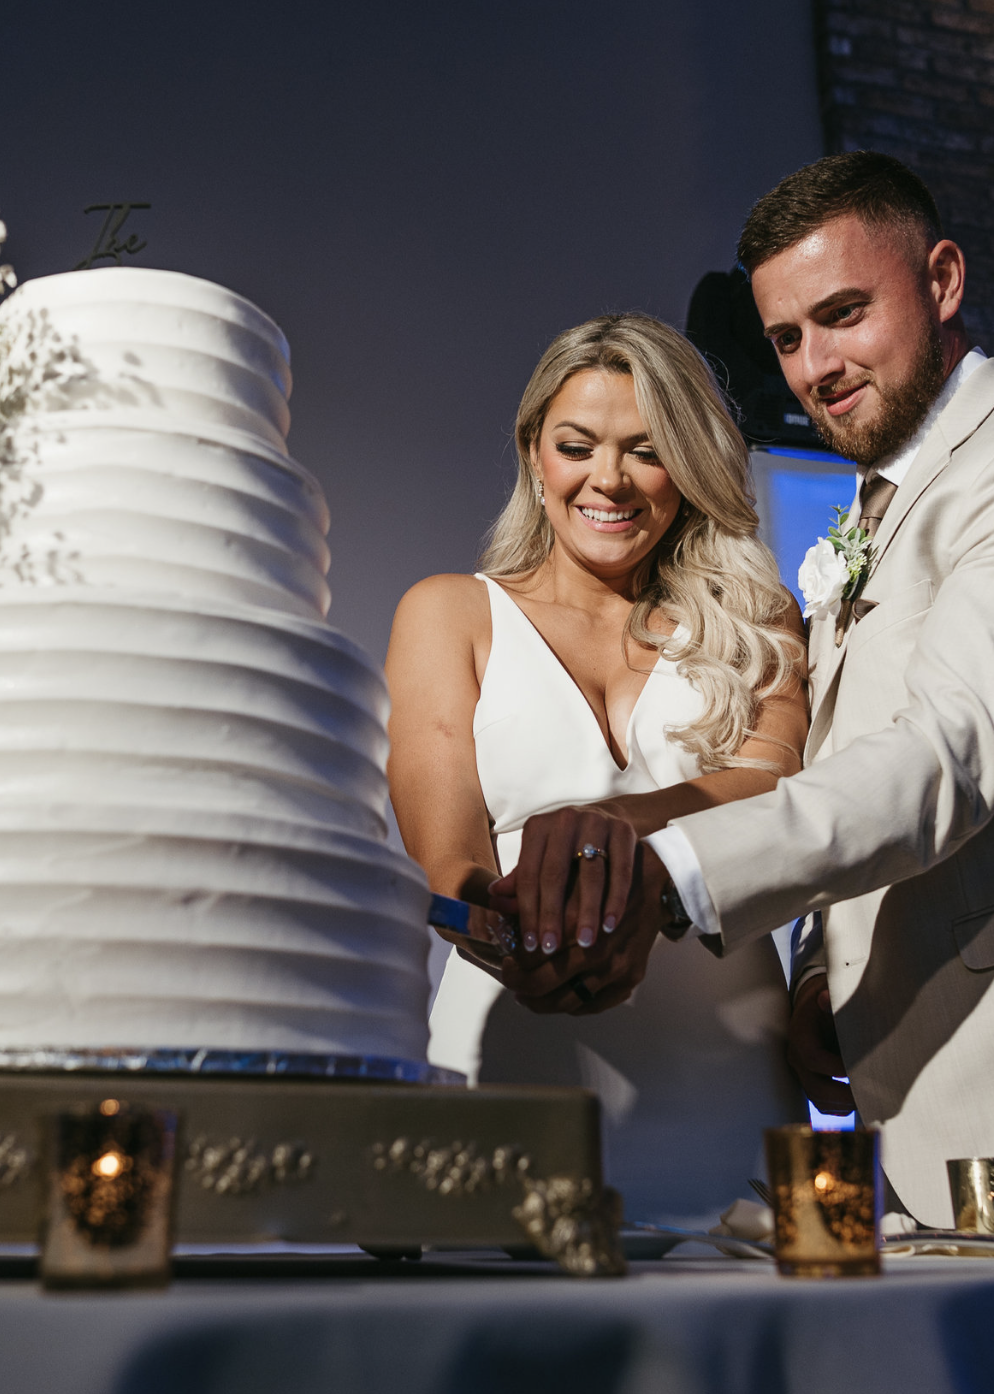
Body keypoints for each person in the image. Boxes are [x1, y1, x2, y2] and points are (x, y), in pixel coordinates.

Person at [496, 154, 994, 1394]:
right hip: (911, 1136)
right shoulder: (871, 515)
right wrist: (822, 972)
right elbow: (865, 780)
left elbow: (947, 758)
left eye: (843, 313)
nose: (815, 365)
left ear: (942, 278)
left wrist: (666, 867)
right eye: (788, 337)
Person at [385, 313, 809, 1224]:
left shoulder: (757, 615)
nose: (607, 479)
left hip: (726, 1061)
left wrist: (607, 826)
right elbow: (447, 849)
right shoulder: (449, 612)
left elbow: (775, 792)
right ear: (535, 457)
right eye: (577, 446)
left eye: (646, 451)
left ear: (688, 468)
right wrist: (501, 933)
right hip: (513, 1046)